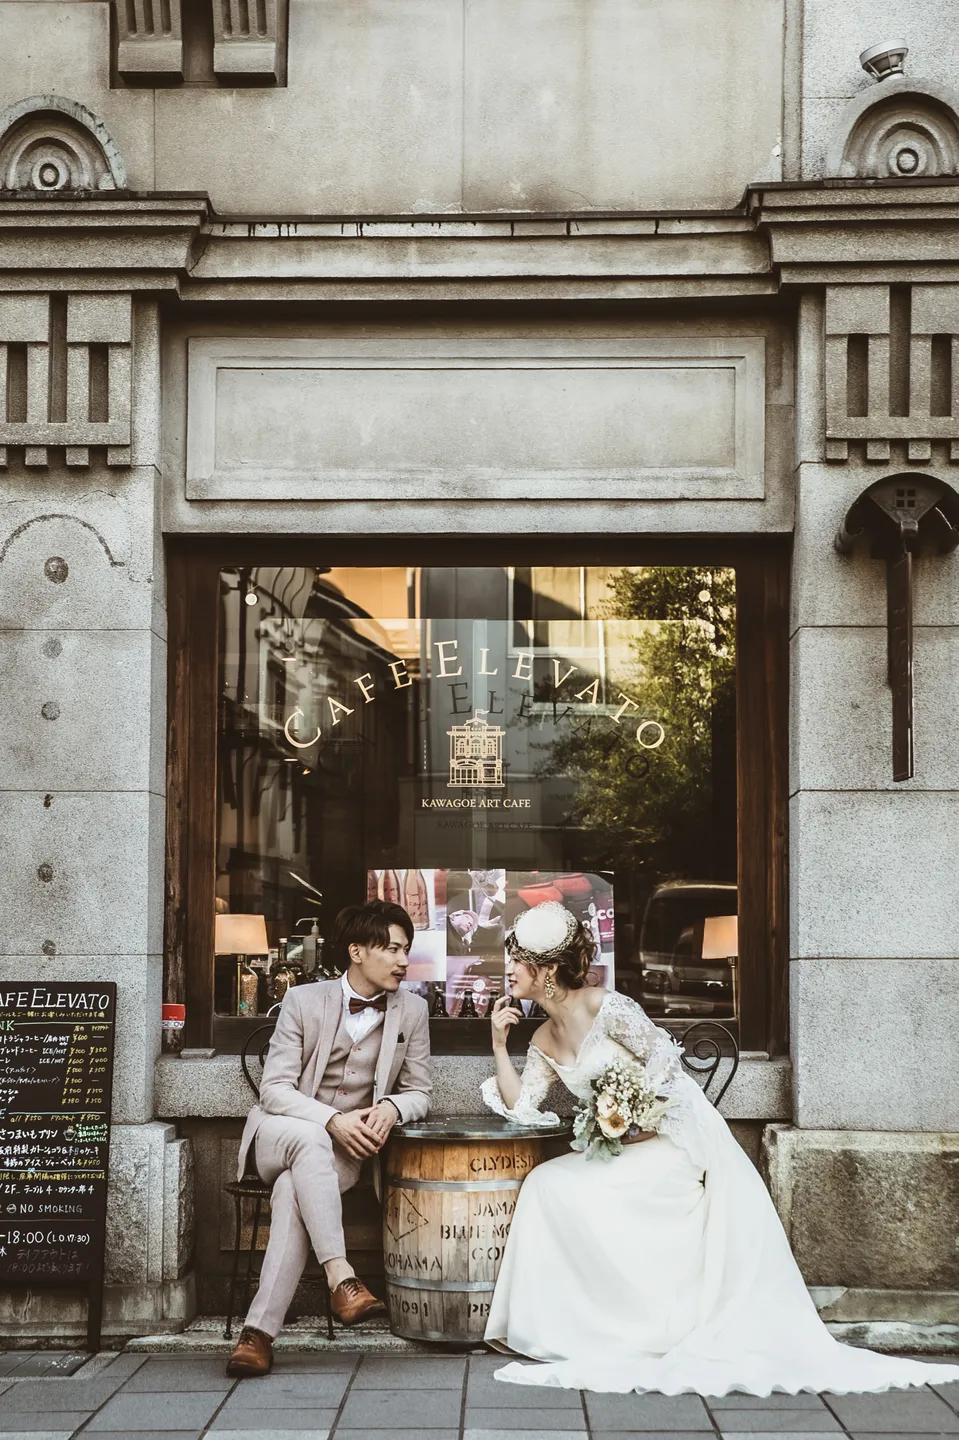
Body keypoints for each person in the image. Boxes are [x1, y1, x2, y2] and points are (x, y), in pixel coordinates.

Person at [481, 900, 959, 1396]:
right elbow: (522, 1105)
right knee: (545, 1184)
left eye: (518, 962)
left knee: (588, 1192)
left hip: (672, 1138)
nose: (509, 970)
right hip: (623, 1143)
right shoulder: (544, 1035)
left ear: (548, 970)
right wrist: (498, 1044)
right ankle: (581, 1327)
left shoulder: (605, 1006)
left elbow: (665, 1063)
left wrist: (639, 1117)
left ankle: (643, 1328)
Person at [226, 900, 431, 1378]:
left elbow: (421, 1091)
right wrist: (331, 1120)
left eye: (406, 950)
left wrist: (392, 1107)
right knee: (310, 1140)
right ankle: (341, 1274)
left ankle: (257, 1335)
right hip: (278, 1137)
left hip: (340, 1156)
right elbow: (275, 1090)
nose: (403, 961)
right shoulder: (303, 1001)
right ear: (357, 952)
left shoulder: (413, 1010)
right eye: (393, 949)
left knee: (291, 1191)